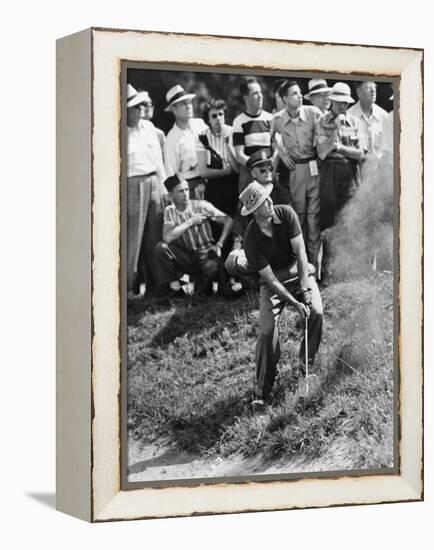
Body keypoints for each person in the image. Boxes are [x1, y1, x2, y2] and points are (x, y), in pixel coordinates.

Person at [240, 182, 323, 407]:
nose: (269, 201)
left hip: (299, 272)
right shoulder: (250, 238)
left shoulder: (286, 213)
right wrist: (295, 302)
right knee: (267, 332)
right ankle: (262, 389)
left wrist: (305, 287)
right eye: (263, 202)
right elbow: (271, 281)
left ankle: (306, 369)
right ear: (255, 211)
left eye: (267, 197)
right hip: (273, 284)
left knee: (316, 311)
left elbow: (302, 253)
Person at [270, 80, 323, 268]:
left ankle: (316, 268)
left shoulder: (313, 113)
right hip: (295, 170)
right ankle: (301, 265)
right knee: (298, 216)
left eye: (300, 93)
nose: (300, 96)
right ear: (284, 99)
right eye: (294, 94)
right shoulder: (277, 119)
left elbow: (326, 134)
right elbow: (271, 141)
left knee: (314, 216)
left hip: (314, 167)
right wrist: (282, 156)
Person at [154, 174, 234, 296]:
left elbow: (228, 220)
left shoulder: (201, 206)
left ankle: (206, 287)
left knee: (212, 267)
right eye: (181, 191)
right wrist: (190, 222)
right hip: (187, 256)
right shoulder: (170, 210)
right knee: (160, 248)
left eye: (186, 189)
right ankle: (176, 289)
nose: (185, 194)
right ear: (171, 195)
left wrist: (219, 244)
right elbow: (167, 237)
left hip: (205, 255)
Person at [127, 86, 167, 297]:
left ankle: (157, 287)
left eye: (142, 104)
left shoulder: (150, 127)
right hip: (132, 185)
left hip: (154, 182)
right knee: (133, 238)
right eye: (135, 106)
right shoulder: (117, 131)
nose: (141, 109)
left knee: (156, 235)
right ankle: (128, 290)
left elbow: (159, 161)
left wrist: (164, 185)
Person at [315, 82, 366, 231]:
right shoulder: (322, 122)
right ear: (332, 100)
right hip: (329, 174)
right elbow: (322, 153)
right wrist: (336, 129)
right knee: (329, 219)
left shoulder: (356, 122)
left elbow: (361, 153)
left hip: (350, 172)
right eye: (339, 102)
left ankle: (347, 254)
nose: (343, 106)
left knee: (350, 217)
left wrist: (339, 148)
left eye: (346, 103)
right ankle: (329, 254)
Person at [163, 84, 207, 199]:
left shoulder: (200, 124)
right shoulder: (171, 139)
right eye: (183, 104)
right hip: (189, 187)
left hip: (211, 180)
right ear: (174, 109)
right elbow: (171, 173)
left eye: (189, 102)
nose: (188, 106)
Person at [196, 99, 239, 216]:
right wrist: (226, 171)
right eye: (214, 116)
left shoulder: (233, 132)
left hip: (234, 185)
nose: (218, 118)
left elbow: (237, 169)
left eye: (221, 114)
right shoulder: (202, 137)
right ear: (208, 120)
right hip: (214, 187)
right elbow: (204, 172)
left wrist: (228, 145)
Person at [347, 81, 388, 185]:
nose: (373, 90)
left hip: (380, 173)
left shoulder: (384, 116)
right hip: (357, 175)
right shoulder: (349, 116)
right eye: (367, 87)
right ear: (359, 92)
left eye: (374, 87)